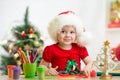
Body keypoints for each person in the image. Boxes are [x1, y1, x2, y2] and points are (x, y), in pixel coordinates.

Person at [40, 11, 93, 76]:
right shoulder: (50, 49)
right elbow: (42, 66)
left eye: (71, 32)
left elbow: (90, 62)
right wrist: (47, 71)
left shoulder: (80, 48)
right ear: (56, 32)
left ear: (76, 34)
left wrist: (87, 67)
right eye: (63, 32)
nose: (68, 35)